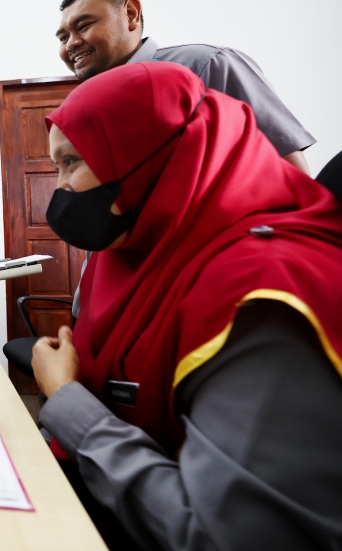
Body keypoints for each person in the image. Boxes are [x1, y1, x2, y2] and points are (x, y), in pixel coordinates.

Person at [31, 61, 342, 549]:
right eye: (56, 167)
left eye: (72, 162)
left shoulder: (263, 292)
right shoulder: (135, 249)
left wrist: (66, 400)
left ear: (148, 155)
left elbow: (225, 538)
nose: (61, 189)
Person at [55, 0, 313, 175]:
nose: (71, 44)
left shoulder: (207, 65)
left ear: (131, 14)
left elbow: (288, 165)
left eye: (84, 25)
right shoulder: (89, 106)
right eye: (63, 37)